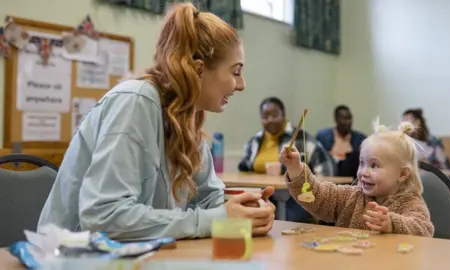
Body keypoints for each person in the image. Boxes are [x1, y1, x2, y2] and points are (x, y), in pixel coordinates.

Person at [38, 3, 276, 240]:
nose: (242, 85)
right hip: (71, 258)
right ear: (199, 70)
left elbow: (207, 199)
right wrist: (220, 219)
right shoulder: (135, 102)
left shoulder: (187, 118)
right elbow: (103, 217)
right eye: (236, 72)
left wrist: (246, 206)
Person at [281, 120, 434, 237]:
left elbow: (423, 230)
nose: (363, 172)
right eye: (362, 163)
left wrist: (391, 223)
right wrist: (295, 168)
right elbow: (317, 195)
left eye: (374, 165)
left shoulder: (411, 203)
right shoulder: (352, 196)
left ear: (402, 175)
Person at [238, 97, 333, 223]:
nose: (270, 119)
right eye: (265, 116)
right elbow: (243, 169)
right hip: (263, 196)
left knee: (286, 219)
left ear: (283, 115)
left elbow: (326, 169)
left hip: (295, 198)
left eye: (275, 115)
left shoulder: (300, 138)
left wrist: (314, 193)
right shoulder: (254, 142)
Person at [316, 105, 366, 177]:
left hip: (351, 178)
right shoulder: (322, 137)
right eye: (344, 119)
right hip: (328, 176)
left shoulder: (360, 139)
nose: (348, 122)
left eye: (350, 118)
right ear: (336, 119)